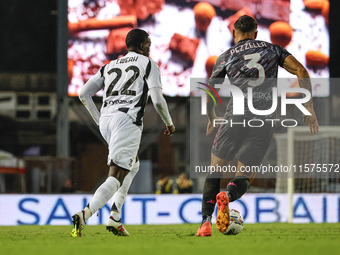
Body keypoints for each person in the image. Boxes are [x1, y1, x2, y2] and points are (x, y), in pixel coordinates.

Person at [195, 15, 319, 237]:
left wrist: (212, 115)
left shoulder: (225, 56)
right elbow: (301, 71)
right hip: (262, 120)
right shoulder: (273, 49)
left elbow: (211, 87)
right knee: (246, 174)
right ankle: (228, 196)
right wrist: (308, 108)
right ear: (256, 33)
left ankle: (205, 223)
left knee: (215, 170)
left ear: (234, 33)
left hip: (234, 116)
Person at [70, 28, 175, 237]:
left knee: (133, 164)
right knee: (116, 175)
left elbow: (84, 93)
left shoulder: (109, 66)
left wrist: (100, 120)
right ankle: (85, 214)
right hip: (127, 121)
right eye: (149, 45)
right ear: (142, 45)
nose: (150, 48)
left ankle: (115, 217)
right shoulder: (148, 64)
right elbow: (157, 100)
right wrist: (169, 123)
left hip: (107, 120)